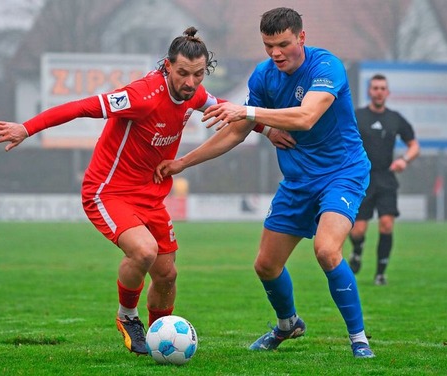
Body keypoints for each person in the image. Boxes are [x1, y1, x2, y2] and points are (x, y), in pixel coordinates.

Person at [0, 27, 286, 356]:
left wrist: (266, 128)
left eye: (198, 75)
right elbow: (81, 107)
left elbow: (227, 109)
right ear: (168, 67)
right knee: (144, 251)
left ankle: (159, 338)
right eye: (182, 73)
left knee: (167, 274)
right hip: (107, 191)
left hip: (151, 194)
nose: (190, 82)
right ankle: (127, 316)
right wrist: (26, 128)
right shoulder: (141, 96)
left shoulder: (193, 95)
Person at [155, 7, 375, 358]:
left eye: (283, 44)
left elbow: (306, 116)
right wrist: (182, 162)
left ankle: (359, 339)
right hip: (298, 180)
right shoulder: (263, 77)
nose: (276, 53)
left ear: (301, 38)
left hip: (342, 172)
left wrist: (250, 112)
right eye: (268, 45)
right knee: (266, 265)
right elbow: (236, 132)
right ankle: (288, 325)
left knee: (327, 250)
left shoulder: (326, 66)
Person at [347, 74, 420, 286]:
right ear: (369, 91)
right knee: (358, 230)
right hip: (362, 179)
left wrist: (404, 160)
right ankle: (357, 251)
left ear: (387, 93)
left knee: (386, 225)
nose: (379, 91)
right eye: (375, 88)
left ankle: (380, 273)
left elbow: (414, 145)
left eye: (383, 88)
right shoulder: (357, 116)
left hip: (387, 178)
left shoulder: (395, 118)